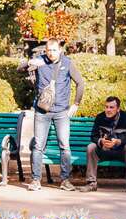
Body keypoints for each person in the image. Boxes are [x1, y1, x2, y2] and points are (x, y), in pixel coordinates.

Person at [26, 40, 85, 191]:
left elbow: (80, 83)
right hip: (42, 111)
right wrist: (29, 63)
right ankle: (36, 180)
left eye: (53, 50)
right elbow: (20, 68)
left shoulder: (67, 63)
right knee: (38, 146)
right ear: (45, 51)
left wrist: (76, 104)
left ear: (60, 50)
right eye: (48, 50)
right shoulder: (41, 61)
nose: (51, 53)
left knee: (64, 146)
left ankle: (65, 180)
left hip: (61, 112)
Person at [83, 95, 126, 194]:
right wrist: (101, 141)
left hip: (121, 152)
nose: (108, 110)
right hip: (104, 151)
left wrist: (119, 142)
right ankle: (91, 183)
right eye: (106, 107)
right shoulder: (100, 117)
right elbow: (93, 136)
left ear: (118, 109)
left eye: (111, 107)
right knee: (91, 147)